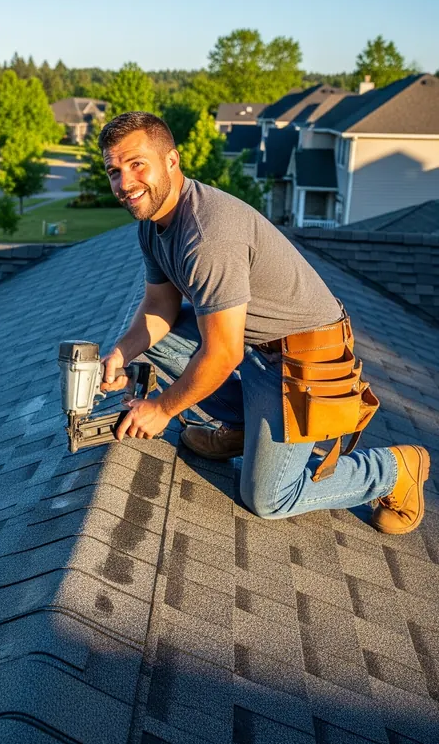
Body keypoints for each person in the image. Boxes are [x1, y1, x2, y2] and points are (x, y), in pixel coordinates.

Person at [99, 111, 430, 534]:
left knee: (268, 498)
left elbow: (223, 353)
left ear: (171, 160)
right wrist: (121, 352)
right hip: (254, 351)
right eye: (114, 170)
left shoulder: (207, 235)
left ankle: (393, 469)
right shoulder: (152, 225)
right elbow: (161, 307)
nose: (125, 183)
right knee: (152, 344)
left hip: (301, 364)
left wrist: (162, 409)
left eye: (136, 164)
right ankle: (242, 426)